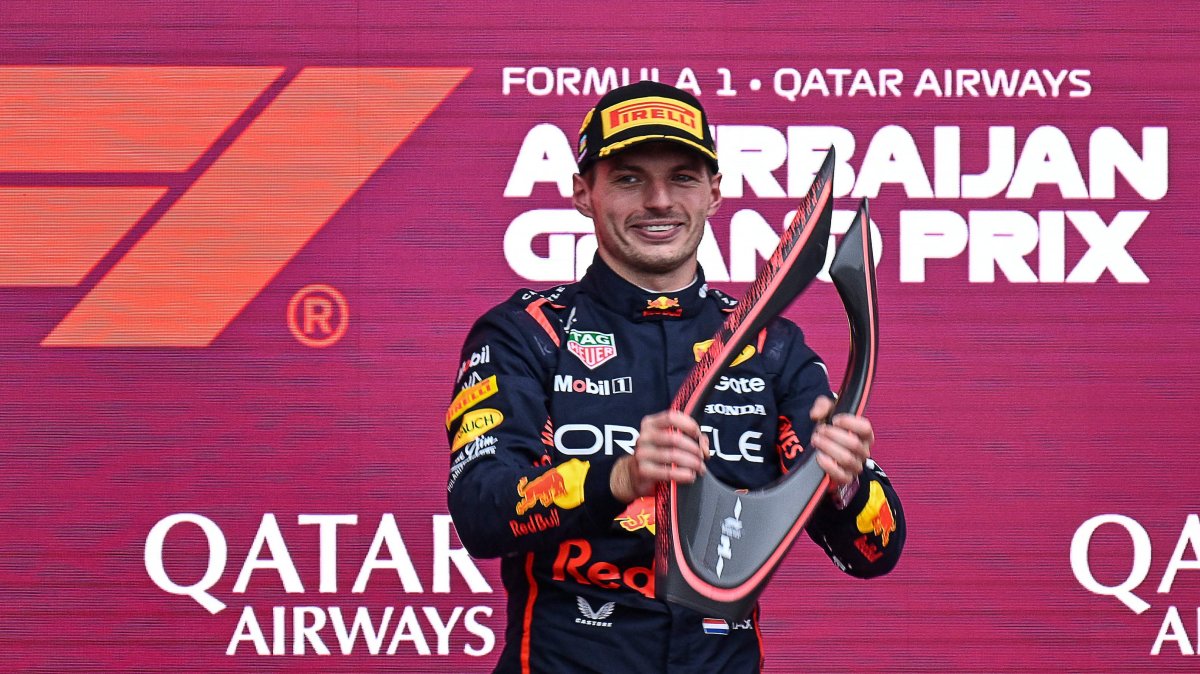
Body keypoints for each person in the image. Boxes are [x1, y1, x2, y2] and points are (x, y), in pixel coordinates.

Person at [447, 81, 905, 673]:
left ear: (714, 194)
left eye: (683, 178)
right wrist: (620, 477)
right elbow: (480, 512)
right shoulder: (528, 333)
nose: (659, 200)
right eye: (629, 179)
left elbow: (873, 551)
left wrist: (845, 483)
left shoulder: (771, 347)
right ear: (584, 194)